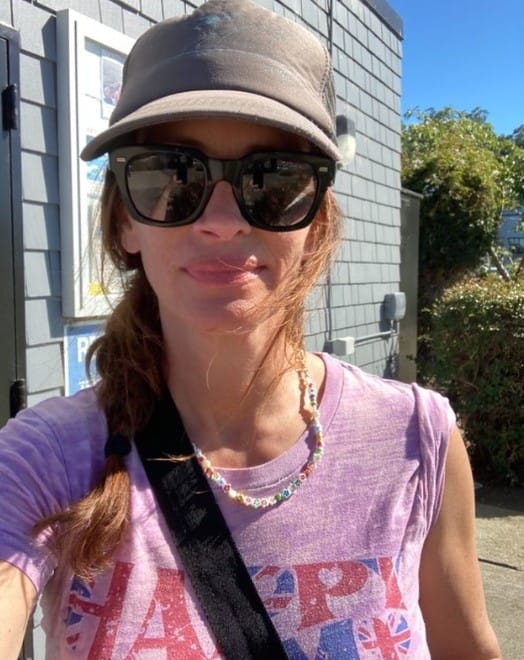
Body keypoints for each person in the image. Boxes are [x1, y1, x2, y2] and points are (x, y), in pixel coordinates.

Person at [0, 0, 501, 658]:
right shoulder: (46, 459)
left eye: (274, 180)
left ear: (316, 223)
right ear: (125, 221)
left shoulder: (418, 439)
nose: (221, 221)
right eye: (171, 175)